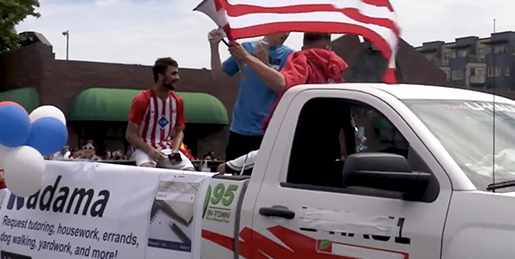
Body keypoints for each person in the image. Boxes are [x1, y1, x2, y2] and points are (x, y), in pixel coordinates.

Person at [225, 32, 353, 176]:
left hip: (297, 152)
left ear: (303, 47)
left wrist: (247, 58)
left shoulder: (304, 61)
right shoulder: (336, 73)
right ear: (329, 48)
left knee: (229, 172)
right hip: (329, 154)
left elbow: (283, 83)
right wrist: (351, 157)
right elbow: (348, 122)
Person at [210, 29, 293, 161]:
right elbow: (219, 76)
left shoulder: (290, 56)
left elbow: (282, 88)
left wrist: (264, 63)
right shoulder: (246, 48)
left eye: (289, 31)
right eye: (282, 29)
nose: (286, 34)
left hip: (269, 130)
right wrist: (214, 46)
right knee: (234, 177)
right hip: (240, 128)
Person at [126, 57, 193, 170]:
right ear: (160, 76)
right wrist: (151, 151)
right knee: (148, 170)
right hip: (143, 149)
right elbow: (130, 134)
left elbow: (179, 131)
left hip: (167, 149)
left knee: (190, 172)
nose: (177, 78)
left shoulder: (177, 101)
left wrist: (175, 151)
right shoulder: (142, 100)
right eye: (173, 74)